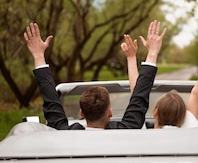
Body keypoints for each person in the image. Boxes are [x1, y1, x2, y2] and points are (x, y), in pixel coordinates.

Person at [24, 20, 166, 130]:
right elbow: (139, 97)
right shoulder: (127, 129)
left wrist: (38, 55)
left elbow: (50, 99)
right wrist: (152, 52)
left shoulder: (64, 133)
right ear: (110, 112)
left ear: (82, 113)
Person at [122, 37, 198, 128]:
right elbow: (196, 93)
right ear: (184, 116)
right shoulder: (190, 129)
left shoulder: (139, 132)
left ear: (155, 112)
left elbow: (137, 94)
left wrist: (131, 58)